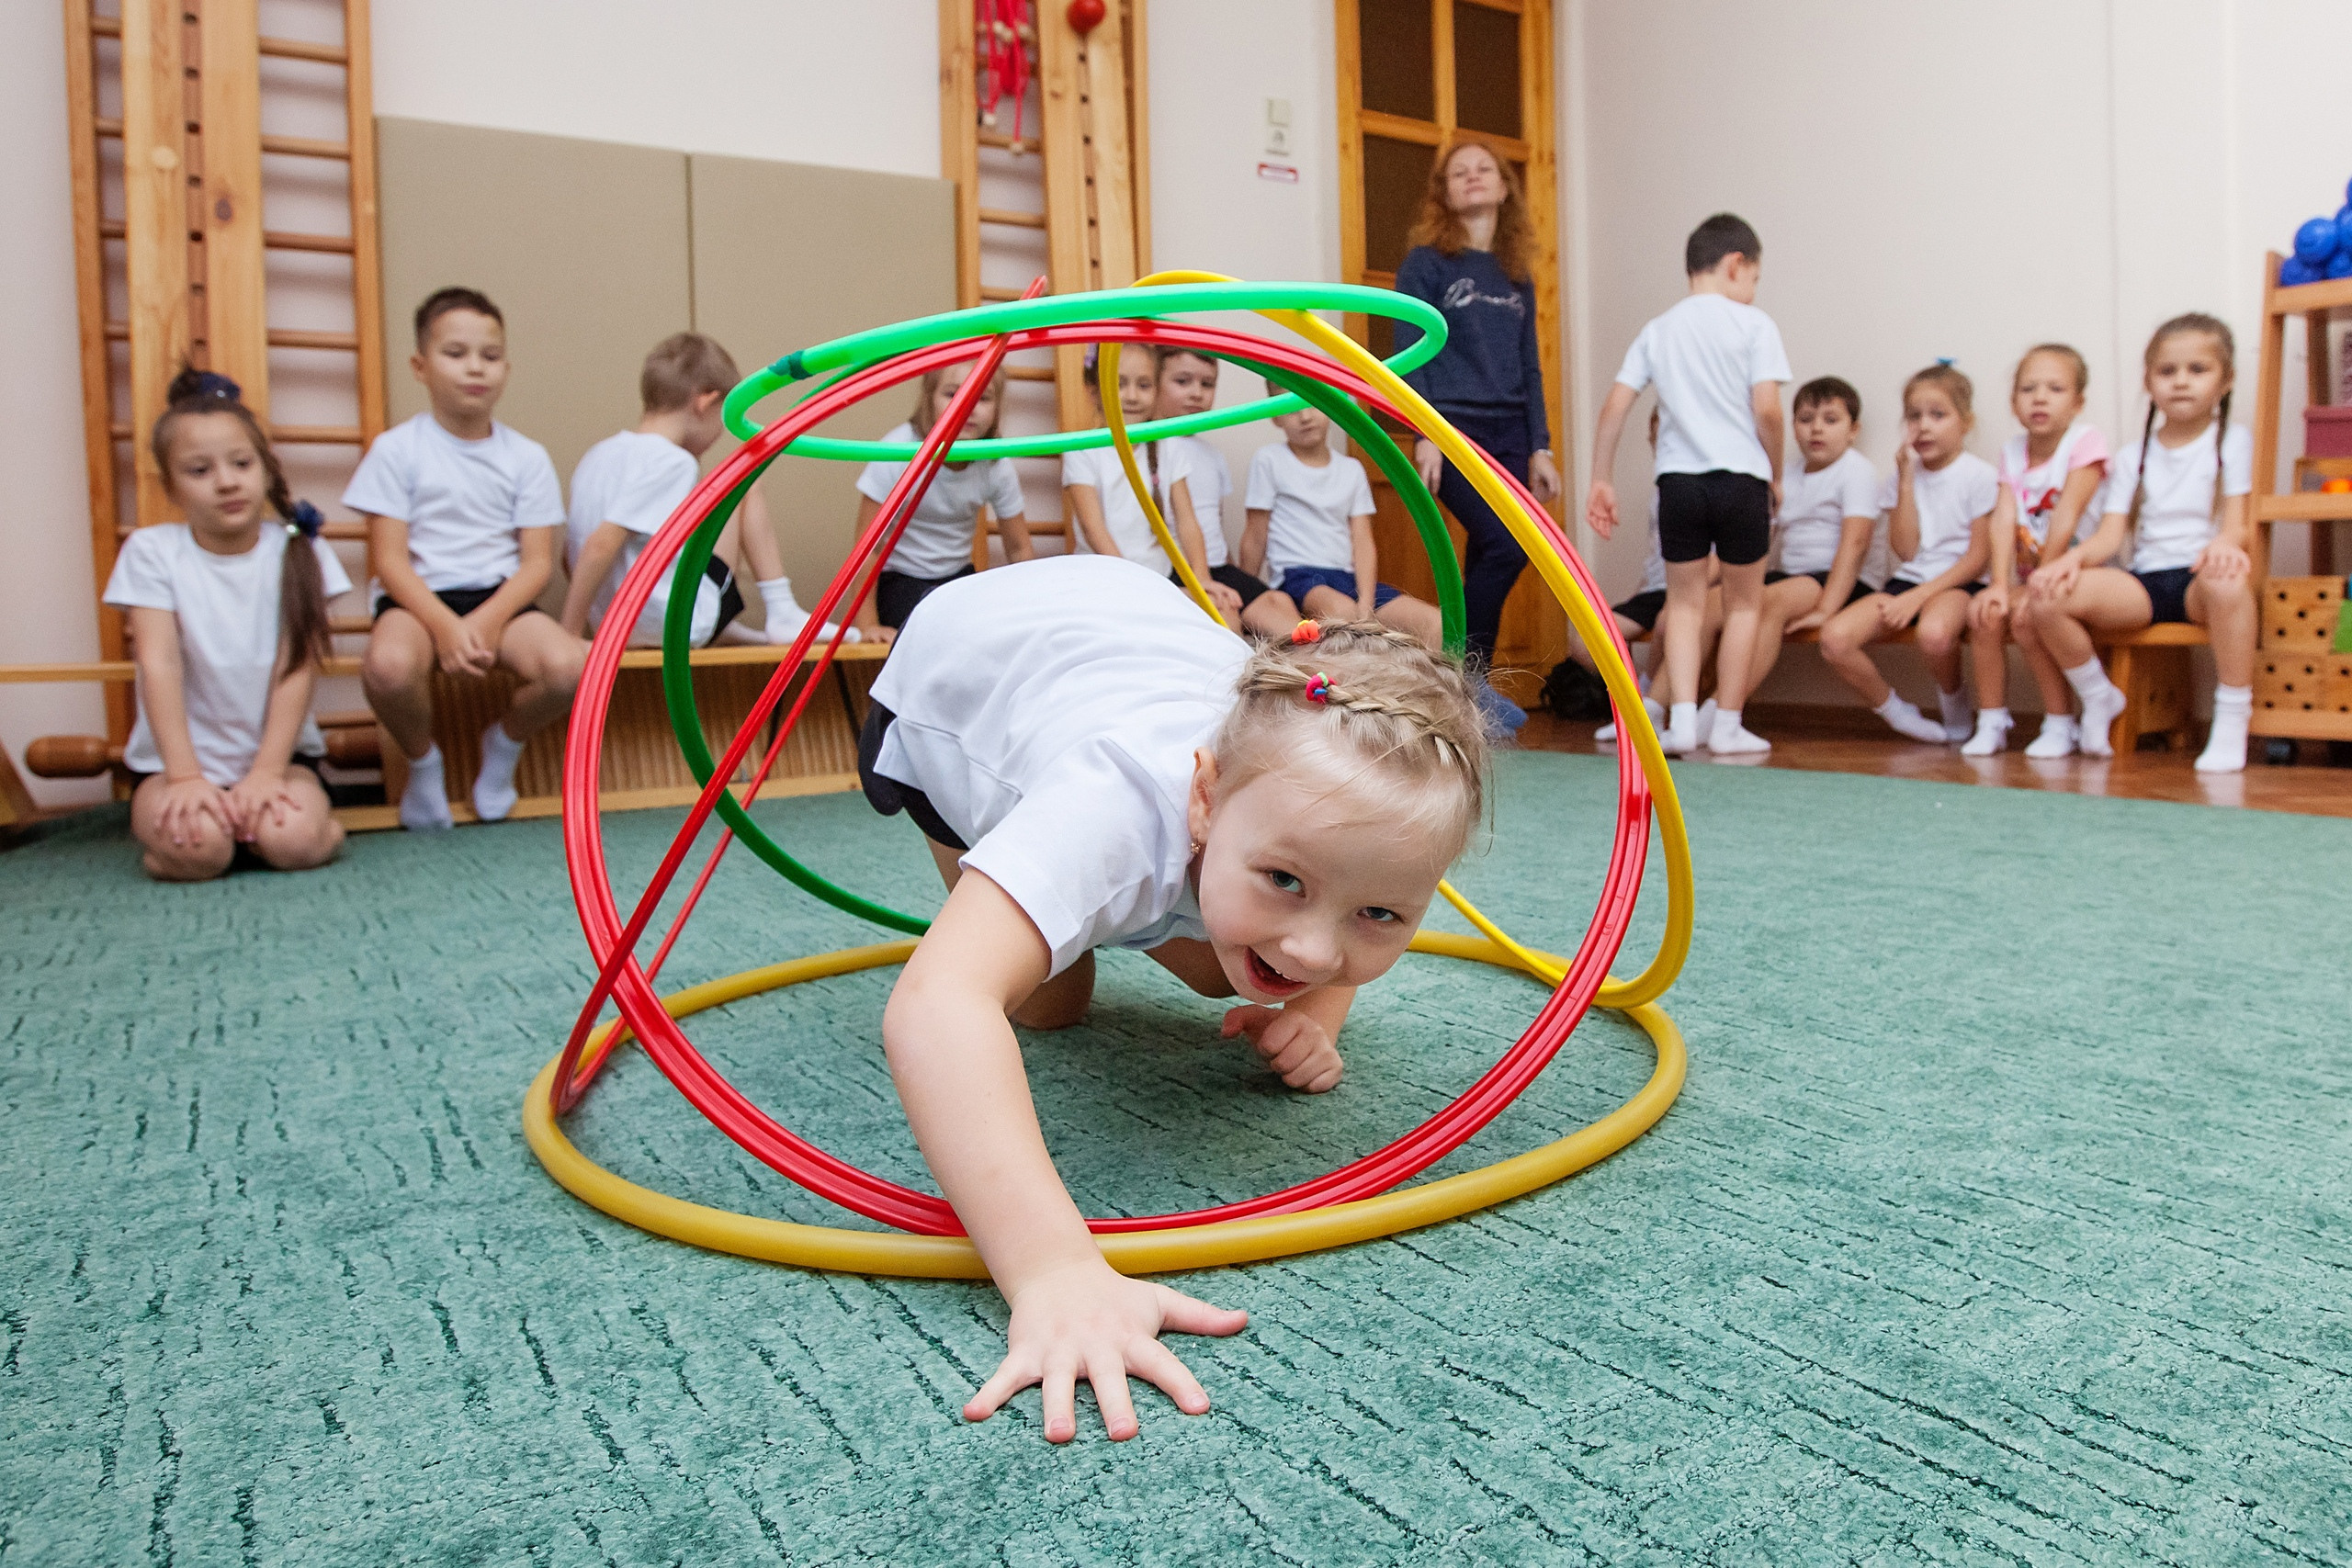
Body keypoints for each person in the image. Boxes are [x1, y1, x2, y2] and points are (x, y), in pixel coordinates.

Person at [861, 553, 1488, 1443]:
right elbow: (935, 1007)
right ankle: (1088, 899)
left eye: (1380, 912)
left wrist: (1312, 1010)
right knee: (1040, 1001)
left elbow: (1326, 923)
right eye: (1285, 877)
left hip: (1119, 629)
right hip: (964, 669)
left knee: (1222, 961)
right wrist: (1049, 1271)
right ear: (1203, 798)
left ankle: (1215, 897)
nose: (1318, 947)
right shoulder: (1110, 806)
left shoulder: (1289, 790)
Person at [349, 288, 584, 830]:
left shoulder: (526, 457)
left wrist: (480, 623)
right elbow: (389, 560)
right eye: (455, 354)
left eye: (490, 355)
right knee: (386, 668)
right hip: (419, 600)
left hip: (497, 599)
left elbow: (536, 565)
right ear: (420, 366)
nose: (475, 368)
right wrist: (444, 626)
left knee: (571, 670)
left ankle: (503, 744)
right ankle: (422, 763)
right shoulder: (396, 450)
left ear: (506, 366)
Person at [105, 368, 347, 881]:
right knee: (200, 852)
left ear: (265, 468)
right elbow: (159, 663)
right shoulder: (152, 552)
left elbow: (297, 669)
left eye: (242, 463)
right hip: (175, 767)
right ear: (169, 485)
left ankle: (312, 827)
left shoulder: (299, 551)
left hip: (280, 761)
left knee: (296, 843)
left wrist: (266, 773)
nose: (227, 481)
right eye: (199, 470)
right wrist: (186, 777)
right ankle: (191, 839)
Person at [1584, 212, 1790, 756]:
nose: (1751, 292)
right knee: (1745, 604)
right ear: (1735, 265)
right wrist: (1777, 472)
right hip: (1742, 479)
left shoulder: (1659, 329)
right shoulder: (1754, 325)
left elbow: (1614, 406)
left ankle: (1677, 722)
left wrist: (1601, 478)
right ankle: (1725, 722)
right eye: (1754, 280)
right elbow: (1768, 412)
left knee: (1685, 604)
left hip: (1678, 483)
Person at [2027, 313, 2256, 772]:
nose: (2181, 382)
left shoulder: (2231, 440)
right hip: (2145, 584)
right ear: (2149, 382)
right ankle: (2098, 696)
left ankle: (2232, 718)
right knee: (2046, 596)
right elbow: (2110, 534)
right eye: (2167, 372)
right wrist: (2068, 559)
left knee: (2228, 584)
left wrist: (2225, 545)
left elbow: (2239, 524)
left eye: (2198, 370)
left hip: (2199, 580)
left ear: (2226, 380)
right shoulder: (2135, 455)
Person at [1393, 135, 1563, 727]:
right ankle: (1467, 682)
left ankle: (1461, 693)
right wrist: (1426, 433)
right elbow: (1409, 354)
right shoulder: (1425, 264)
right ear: (1443, 190)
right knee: (1503, 543)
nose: (1471, 177)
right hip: (1453, 428)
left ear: (1502, 185)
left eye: (1483, 169)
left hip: (1512, 433)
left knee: (1496, 551)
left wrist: (1540, 444)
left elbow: (1531, 365)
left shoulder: (1517, 274)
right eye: (1458, 172)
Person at [562, 332, 847, 652]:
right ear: (706, 403)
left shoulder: (598, 455)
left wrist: (590, 623)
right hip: (669, 626)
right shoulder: (672, 462)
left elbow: (571, 552)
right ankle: (781, 609)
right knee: (745, 481)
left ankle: (726, 625)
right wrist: (569, 636)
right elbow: (600, 545)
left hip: (614, 625)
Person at [1816, 365, 1998, 743]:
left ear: (1965, 423)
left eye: (1938, 415)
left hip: (1958, 583)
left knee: (1934, 634)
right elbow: (1906, 548)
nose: (1924, 426)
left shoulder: (1979, 476)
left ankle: (1954, 701)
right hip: (1908, 581)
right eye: (1914, 416)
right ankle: (1898, 713)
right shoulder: (1902, 477)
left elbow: (1978, 557)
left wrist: (1918, 597)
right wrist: (1906, 479)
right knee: (1834, 639)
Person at [1963, 345, 2109, 757]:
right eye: (2028, 389)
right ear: (2013, 403)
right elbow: (2004, 518)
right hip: (2032, 575)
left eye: (2055, 388)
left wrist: (2039, 579)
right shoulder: (2012, 451)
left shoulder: (2085, 441)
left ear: (2077, 402)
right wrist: (1997, 584)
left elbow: (2065, 516)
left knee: (2028, 620)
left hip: (2080, 575)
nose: (2040, 397)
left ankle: (2061, 723)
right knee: (1984, 614)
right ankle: (1992, 721)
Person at [846, 360, 1035, 640]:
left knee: (990, 627)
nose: (967, 407)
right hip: (900, 580)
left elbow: (1019, 548)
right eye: (952, 394)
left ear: (997, 408)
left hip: (956, 577)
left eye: (982, 398)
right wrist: (867, 625)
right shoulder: (898, 452)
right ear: (929, 398)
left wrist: (1032, 611)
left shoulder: (994, 464)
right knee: (935, 625)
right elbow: (867, 549)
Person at [1241, 407, 1447, 654]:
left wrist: (1367, 605)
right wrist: (1247, 597)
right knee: (1342, 614)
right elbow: (1255, 536)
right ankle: (1354, 689)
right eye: (1291, 408)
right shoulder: (1269, 459)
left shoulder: (1352, 469)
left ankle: (1431, 691)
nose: (1305, 417)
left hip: (1347, 579)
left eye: (1311, 404)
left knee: (1436, 623)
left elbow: (1363, 543)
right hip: (1297, 576)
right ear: (1275, 416)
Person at [1061, 351, 1240, 625]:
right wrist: (1137, 587)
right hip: (1105, 577)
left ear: (1156, 390)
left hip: (1158, 577)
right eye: (1119, 384)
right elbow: (1093, 529)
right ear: (1094, 390)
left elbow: (1187, 521)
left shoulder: (1168, 446)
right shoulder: (1082, 449)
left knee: (1223, 611)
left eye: (1143, 385)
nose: (1132, 396)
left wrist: (1201, 579)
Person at [1745, 377, 1878, 727]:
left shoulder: (1857, 471)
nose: (1816, 429)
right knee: (1721, 603)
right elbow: (1763, 539)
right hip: (1792, 577)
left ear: (1853, 430)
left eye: (1831, 420)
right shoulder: (1784, 474)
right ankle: (1656, 706)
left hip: (1841, 581)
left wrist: (1826, 609)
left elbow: (1856, 545)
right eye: (1805, 419)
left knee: (1770, 602)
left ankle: (1721, 712)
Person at [1152, 347, 1298, 637]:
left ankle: (1312, 662)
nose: (1197, 393)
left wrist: (1234, 572)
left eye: (1207, 384)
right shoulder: (1151, 447)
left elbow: (1214, 524)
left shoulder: (1212, 456)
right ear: (1154, 383)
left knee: (1279, 601)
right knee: (1226, 614)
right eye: (1183, 382)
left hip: (1216, 565)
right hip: (1176, 568)